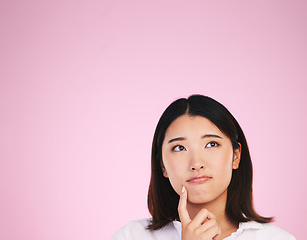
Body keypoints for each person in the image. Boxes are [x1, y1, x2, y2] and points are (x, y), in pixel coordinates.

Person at [112, 95, 296, 240]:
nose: (197, 163)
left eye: (211, 144)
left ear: (236, 156)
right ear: (163, 166)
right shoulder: (131, 236)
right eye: (179, 148)